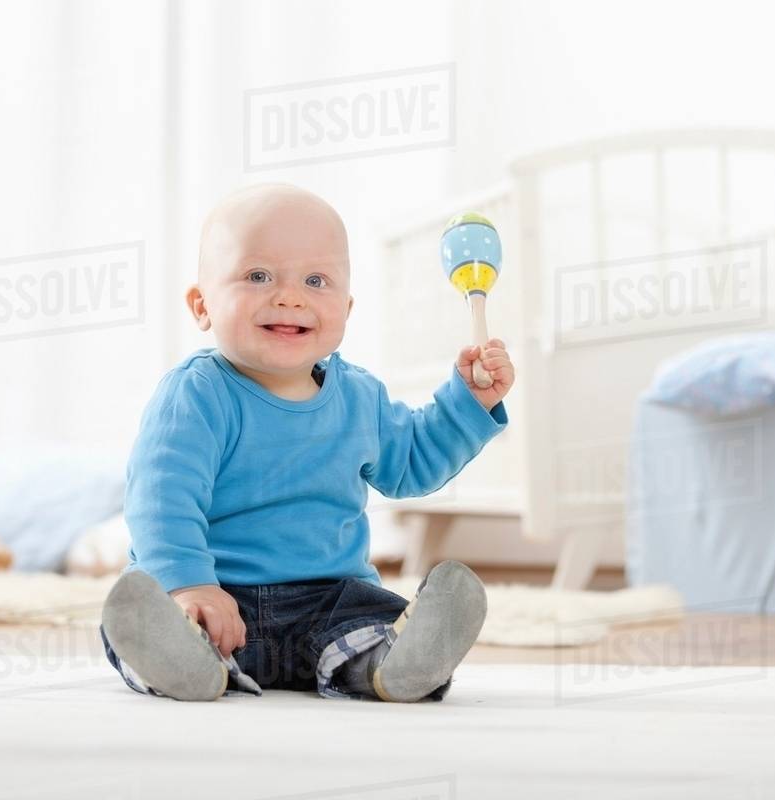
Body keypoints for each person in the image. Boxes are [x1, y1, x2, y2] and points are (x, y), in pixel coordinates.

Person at [99, 183, 515, 702]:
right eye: (258, 276)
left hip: (329, 601)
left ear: (346, 308)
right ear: (202, 305)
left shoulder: (360, 397)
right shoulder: (197, 394)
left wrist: (468, 404)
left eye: (316, 281)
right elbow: (162, 500)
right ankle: (185, 661)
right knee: (160, 619)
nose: (290, 296)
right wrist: (187, 584)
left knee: (372, 617)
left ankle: (387, 664)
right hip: (218, 594)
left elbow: (413, 461)